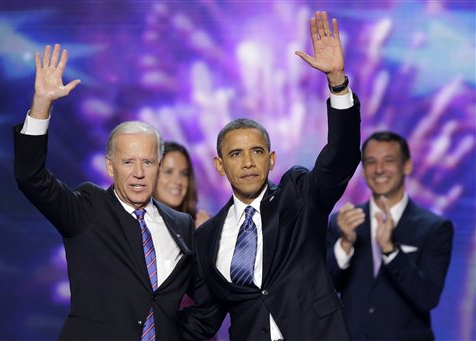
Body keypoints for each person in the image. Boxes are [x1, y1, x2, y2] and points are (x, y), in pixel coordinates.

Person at [13, 44, 217, 340]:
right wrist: (41, 105)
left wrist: (175, 332)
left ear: (158, 166)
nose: (138, 172)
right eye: (127, 162)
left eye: (147, 162)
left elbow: (207, 299)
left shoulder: (181, 224)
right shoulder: (87, 208)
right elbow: (31, 178)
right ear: (110, 167)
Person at [188, 11, 361, 340]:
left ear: (271, 160)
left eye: (257, 152)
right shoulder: (207, 236)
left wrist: (338, 83)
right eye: (236, 154)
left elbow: (341, 159)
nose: (248, 162)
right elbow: (204, 319)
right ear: (219, 165)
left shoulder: (298, 194)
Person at [326, 131, 454, 341]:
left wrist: (390, 250)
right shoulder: (343, 222)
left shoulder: (435, 228)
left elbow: (427, 297)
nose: (379, 169)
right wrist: (345, 244)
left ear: (407, 166)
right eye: (371, 162)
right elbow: (326, 290)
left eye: (389, 161)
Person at [154, 141, 210, 228]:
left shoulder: (200, 223)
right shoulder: (140, 224)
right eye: (168, 172)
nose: (178, 181)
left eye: (184, 173)